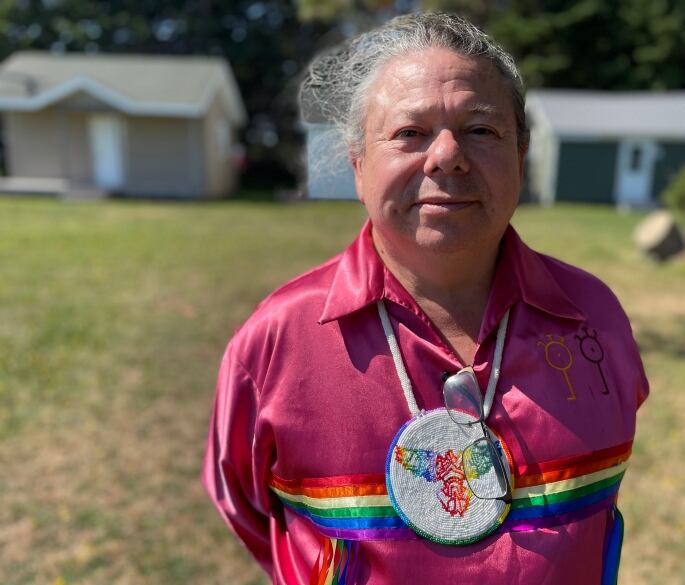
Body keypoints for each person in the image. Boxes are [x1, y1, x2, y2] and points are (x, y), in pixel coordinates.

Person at [202, 12, 648, 585]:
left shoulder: (595, 317)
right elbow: (244, 506)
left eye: (481, 130)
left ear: (522, 153)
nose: (446, 156)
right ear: (359, 164)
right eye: (409, 134)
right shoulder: (274, 342)